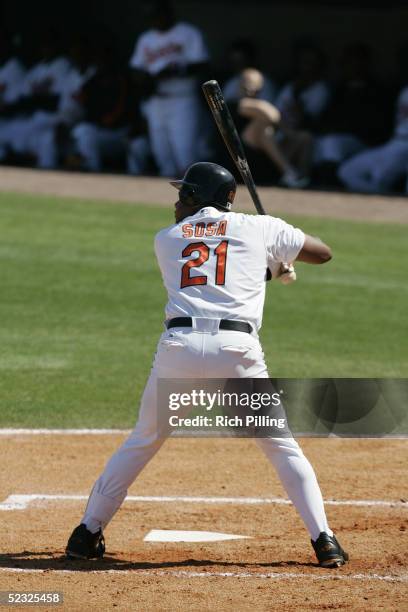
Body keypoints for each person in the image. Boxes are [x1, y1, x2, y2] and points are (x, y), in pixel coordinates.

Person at [65, 161, 349, 569]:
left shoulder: (166, 239)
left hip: (178, 351)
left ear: (199, 198)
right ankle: (324, 540)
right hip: (236, 352)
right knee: (280, 446)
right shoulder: (259, 227)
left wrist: (267, 262)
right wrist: (281, 256)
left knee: (143, 440)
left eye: (184, 194)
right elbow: (323, 253)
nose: (177, 203)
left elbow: (211, 274)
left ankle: (86, 533)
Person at [129, 0, 209, 176]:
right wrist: (150, 78)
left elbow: (203, 64)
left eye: (158, 15)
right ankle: (166, 198)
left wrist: (177, 70)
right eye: (151, 16)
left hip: (182, 98)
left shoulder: (188, 33)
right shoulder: (146, 38)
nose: (155, 20)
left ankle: (194, 195)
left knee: (185, 151)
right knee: (161, 153)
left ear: (169, 14)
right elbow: (135, 69)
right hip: (156, 100)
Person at [230, 68, 312, 187]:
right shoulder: (232, 104)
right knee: (263, 127)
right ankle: (290, 173)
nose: (250, 89)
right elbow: (269, 112)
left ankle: (302, 180)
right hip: (243, 163)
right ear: (239, 85)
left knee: (305, 137)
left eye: (255, 86)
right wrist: (287, 132)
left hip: (269, 161)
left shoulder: (261, 102)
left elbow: (271, 113)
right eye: (246, 84)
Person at [338, 84, 408, 193]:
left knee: (380, 176)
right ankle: (378, 201)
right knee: (348, 171)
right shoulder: (405, 91)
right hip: (396, 142)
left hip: (403, 146)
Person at [222, 38, 277, 104]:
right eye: (234, 63)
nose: (238, 66)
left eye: (241, 62)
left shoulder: (266, 83)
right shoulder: (231, 84)